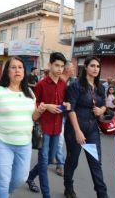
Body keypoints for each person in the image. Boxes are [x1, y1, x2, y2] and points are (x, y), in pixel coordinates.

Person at [0, 56, 46, 198]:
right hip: (2, 142)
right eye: (13, 67)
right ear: (7, 71)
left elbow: (33, 117)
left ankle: (5, 193)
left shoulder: (29, 93)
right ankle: (3, 193)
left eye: (20, 67)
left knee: (21, 179)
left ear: (24, 71)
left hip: (25, 143)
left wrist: (39, 111)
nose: (17, 70)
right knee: (3, 180)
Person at [26, 52, 71, 197]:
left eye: (62, 66)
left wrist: (66, 105)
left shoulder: (64, 84)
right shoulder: (41, 84)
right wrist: (47, 106)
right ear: (50, 65)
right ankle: (46, 194)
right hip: (43, 127)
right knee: (44, 161)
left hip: (57, 127)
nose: (59, 69)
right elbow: (36, 104)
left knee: (51, 158)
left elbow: (66, 103)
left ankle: (30, 176)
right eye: (56, 65)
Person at [64, 56, 108, 198]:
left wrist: (102, 110)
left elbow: (104, 104)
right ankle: (68, 187)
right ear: (86, 68)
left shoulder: (100, 87)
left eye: (98, 66)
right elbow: (71, 109)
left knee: (95, 163)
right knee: (73, 161)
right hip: (76, 129)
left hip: (92, 130)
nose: (96, 69)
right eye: (92, 66)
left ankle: (102, 194)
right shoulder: (75, 86)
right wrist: (77, 131)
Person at [52, 61, 76, 179]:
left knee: (61, 140)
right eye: (72, 67)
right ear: (66, 69)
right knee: (60, 141)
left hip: (67, 115)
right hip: (57, 115)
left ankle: (52, 157)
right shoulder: (60, 81)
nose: (74, 69)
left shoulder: (69, 81)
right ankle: (60, 164)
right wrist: (64, 104)